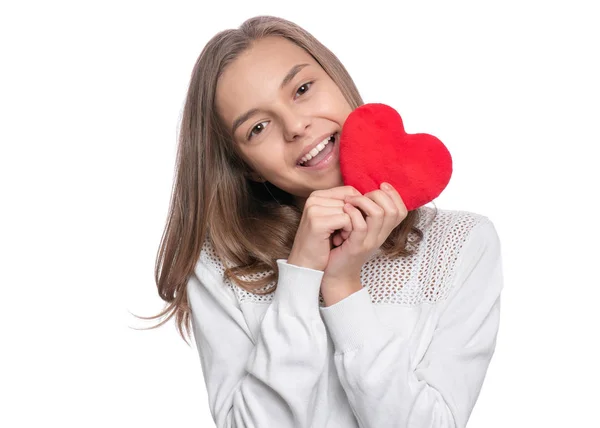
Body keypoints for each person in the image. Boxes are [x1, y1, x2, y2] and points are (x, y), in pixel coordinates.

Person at [149, 15, 504, 428]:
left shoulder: (463, 244)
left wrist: (342, 285)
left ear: (337, 80)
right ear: (248, 168)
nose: (296, 126)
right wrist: (301, 275)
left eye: (302, 89)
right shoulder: (219, 264)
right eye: (258, 127)